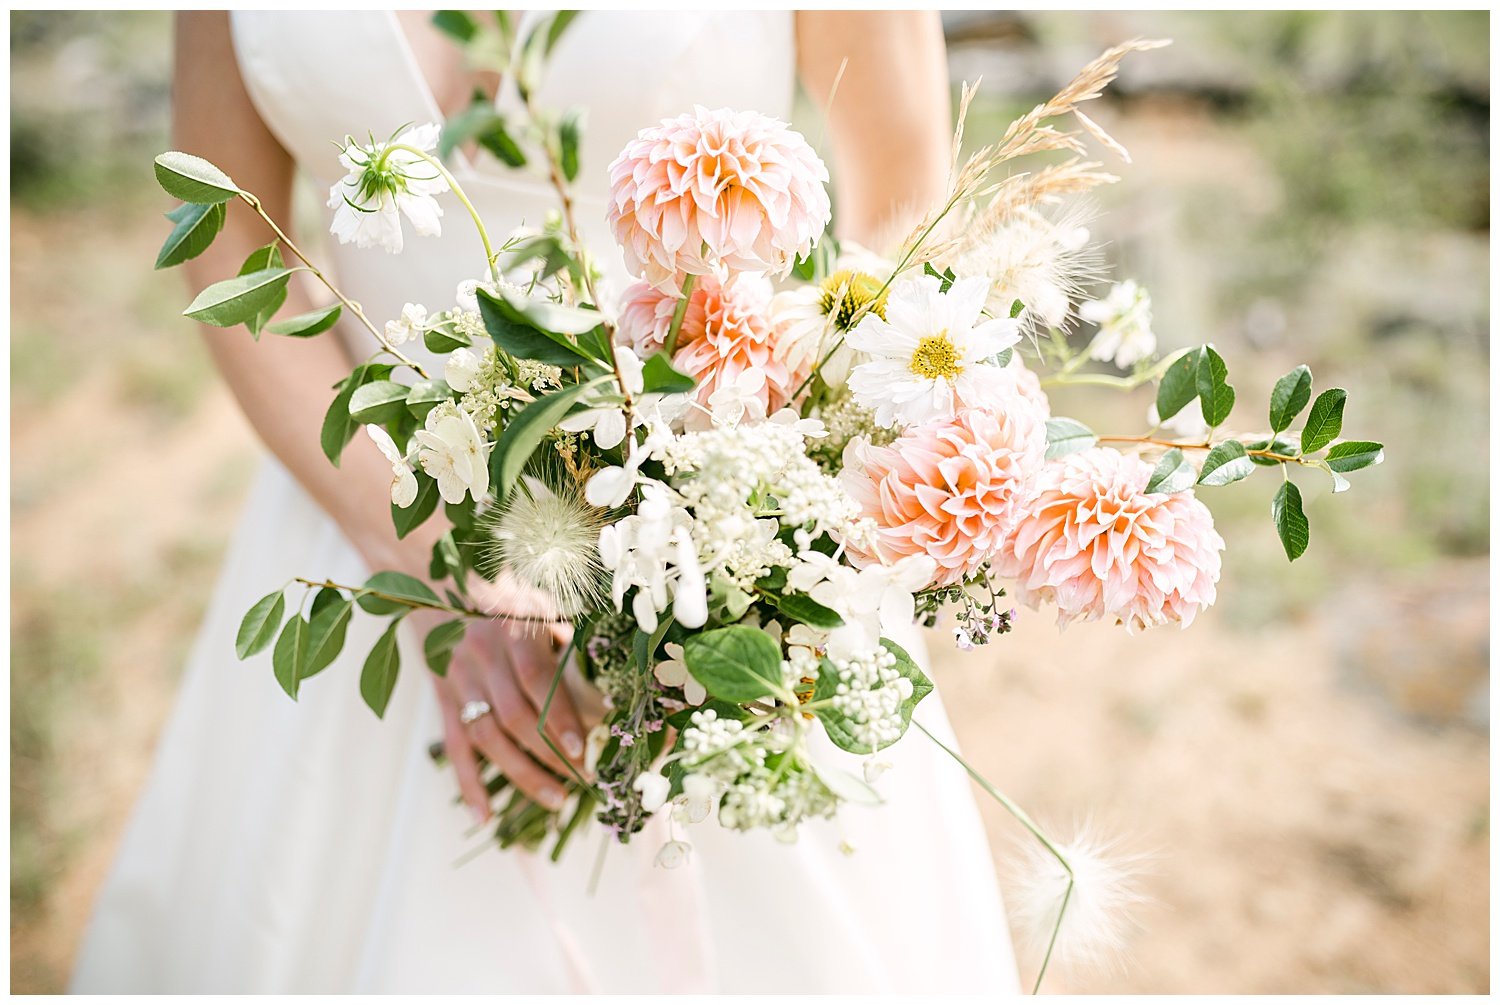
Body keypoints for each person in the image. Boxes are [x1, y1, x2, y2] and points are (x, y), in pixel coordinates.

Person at [71, 11, 1019, 993]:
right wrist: (437, 558)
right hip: (366, 513)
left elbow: (904, 198)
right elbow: (226, 237)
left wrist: (737, 516)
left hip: (717, 539)